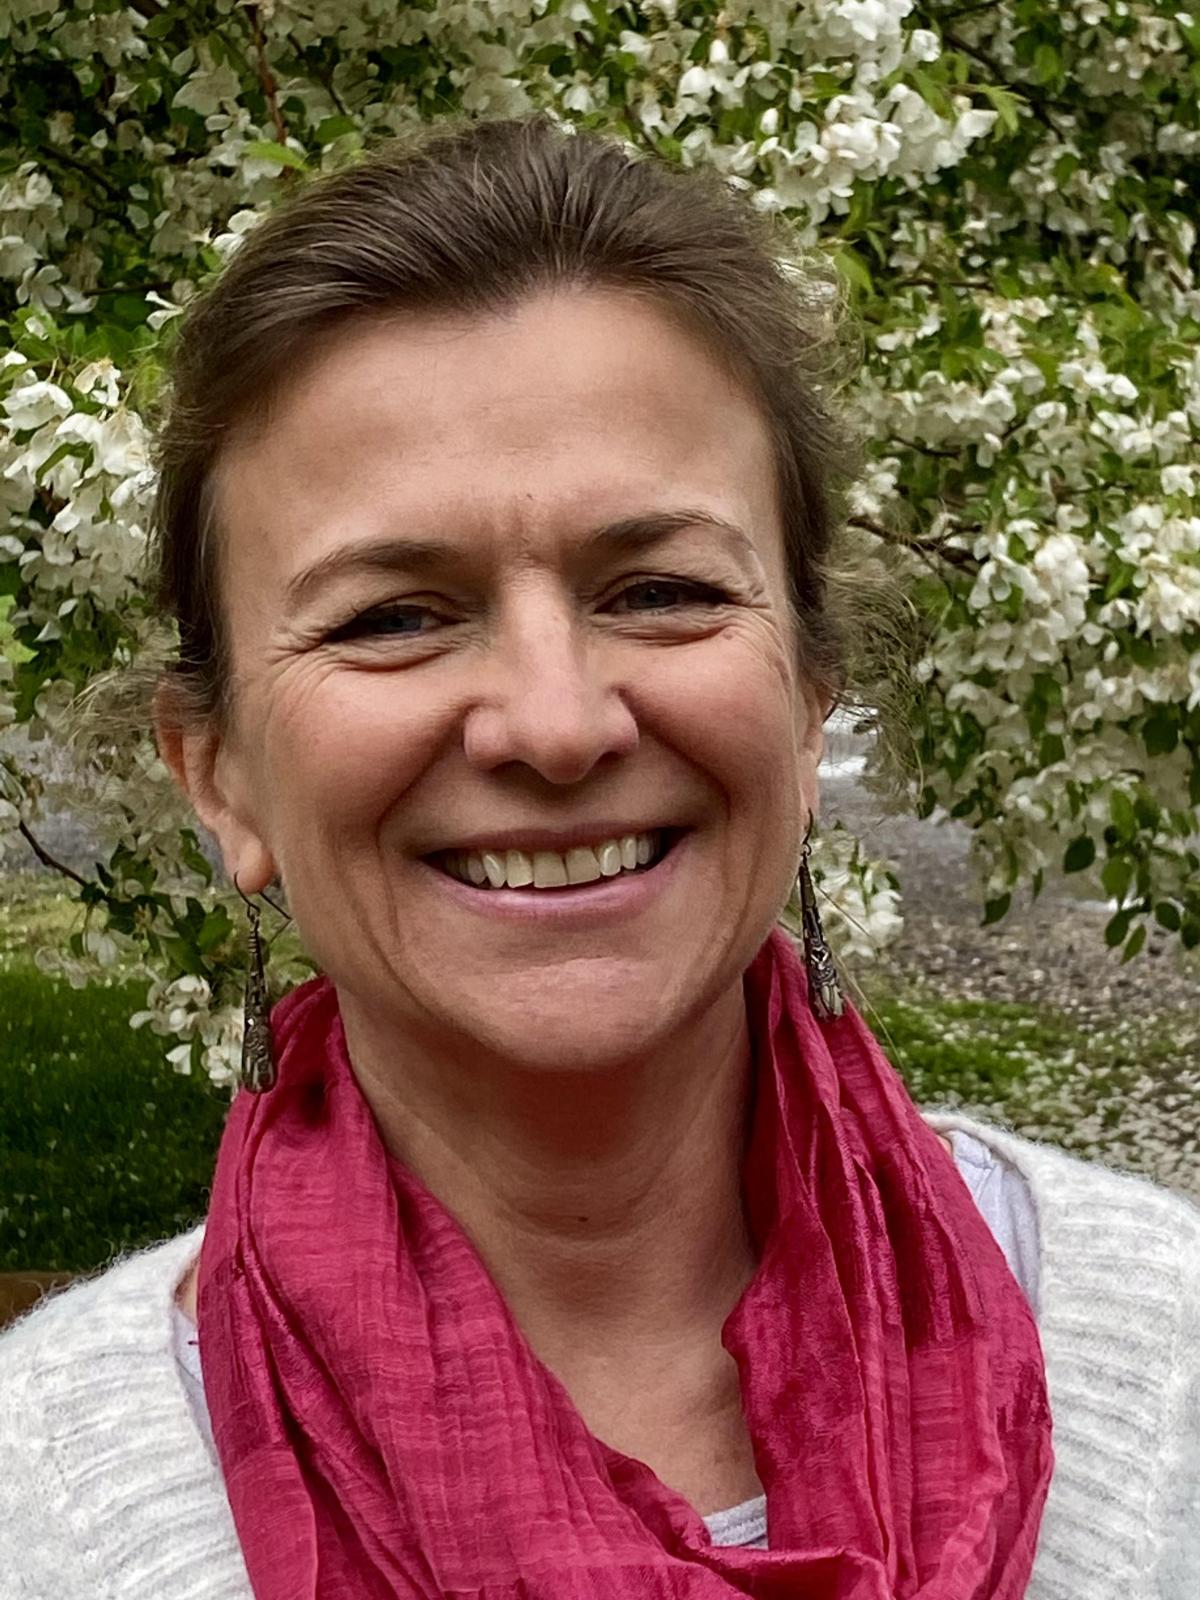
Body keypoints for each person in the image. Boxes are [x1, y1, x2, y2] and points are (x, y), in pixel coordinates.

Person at [1, 112, 1197, 1600]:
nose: (556, 726)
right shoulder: (39, 1511)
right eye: (393, 615)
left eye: (660, 589)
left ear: (811, 694)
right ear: (220, 775)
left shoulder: (1170, 1384)